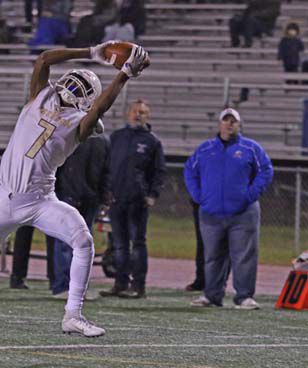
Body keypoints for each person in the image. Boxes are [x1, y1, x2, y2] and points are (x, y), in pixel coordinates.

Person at [0, 41, 151, 338]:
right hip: (6, 201)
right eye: (76, 81)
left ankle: (73, 314)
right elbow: (45, 58)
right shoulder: (41, 96)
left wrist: (122, 74)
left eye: (80, 85)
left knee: (83, 241)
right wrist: (92, 52)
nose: (73, 87)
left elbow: (99, 107)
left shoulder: (76, 122)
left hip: (40, 201)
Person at [184, 108, 273, 310]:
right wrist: (199, 196)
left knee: (244, 256)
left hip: (243, 213)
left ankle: (244, 296)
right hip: (210, 212)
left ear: (239, 124)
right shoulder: (205, 149)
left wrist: (249, 195)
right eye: (226, 120)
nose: (230, 124)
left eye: (234, 121)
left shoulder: (251, 148)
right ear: (220, 123)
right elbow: (190, 170)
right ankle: (211, 295)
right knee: (213, 256)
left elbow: (266, 171)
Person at [100, 99, 166, 299]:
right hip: (116, 199)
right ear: (128, 113)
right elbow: (107, 167)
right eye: (136, 111)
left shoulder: (152, 141)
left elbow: (159, 172)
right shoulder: (117, 137)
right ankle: (120, 283)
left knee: (137, 243)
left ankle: (138, 285)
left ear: (149, 116)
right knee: (119, 245)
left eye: (143, 112)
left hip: (138, 201)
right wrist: (106, 192)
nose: (138, 115)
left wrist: (152, 195)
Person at [52, 132, 110, 298]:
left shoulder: (103, 140)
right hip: (69, 196)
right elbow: (62, 168)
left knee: (84, 244)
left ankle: (79, 287)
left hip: (91, 198)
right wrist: (70, 193)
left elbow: (106, 171)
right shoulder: (70, 136)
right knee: (65, 241)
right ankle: (62, 286)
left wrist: (105, 197)